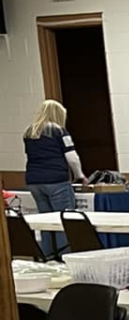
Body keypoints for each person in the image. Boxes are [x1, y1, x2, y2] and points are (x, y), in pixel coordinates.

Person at [23, 99, 84, 258]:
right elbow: (72, 158)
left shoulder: (29, 132)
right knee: (64, 220)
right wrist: (80, 175)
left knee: (45, 221)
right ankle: (65, 257)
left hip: (34, 182)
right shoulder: (58, 131)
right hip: (56, 180)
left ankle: (48, 256)